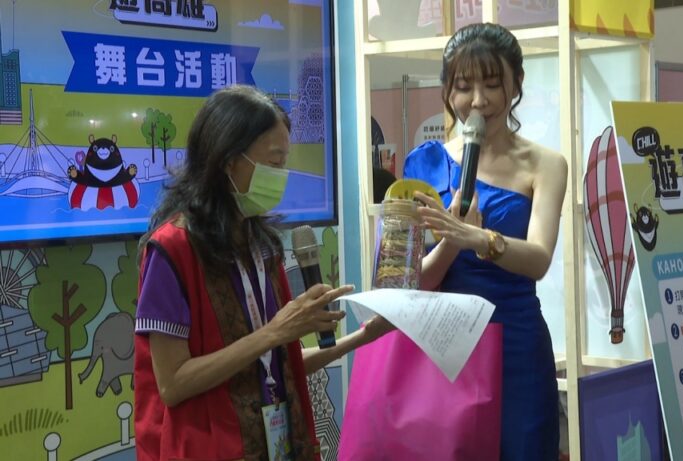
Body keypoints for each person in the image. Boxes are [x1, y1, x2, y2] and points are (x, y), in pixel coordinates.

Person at [133, 85, 391, 461]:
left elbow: (277, 364)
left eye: (284, 163)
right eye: (274, 162)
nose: (282, 176)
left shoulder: (260, 246)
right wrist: (275, 332)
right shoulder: (171, 250)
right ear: (228, 161)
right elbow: (172, 384)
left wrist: (363, 337)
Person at [409, 23, 568, 460]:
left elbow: (539, 259)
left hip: (517, 346)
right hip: (446, 349)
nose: (478, 101)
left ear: (516, 83)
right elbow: (413, 282)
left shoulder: (546, 164)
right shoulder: (424, 163)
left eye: (493, 84)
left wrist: (479, 237)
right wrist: (453, 241)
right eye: (464, 87)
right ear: (447, 90)